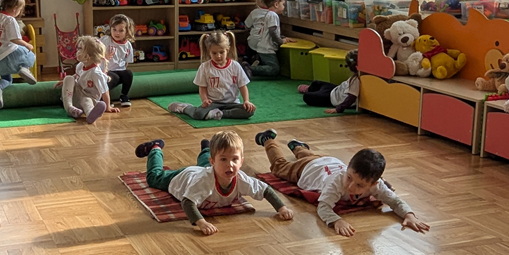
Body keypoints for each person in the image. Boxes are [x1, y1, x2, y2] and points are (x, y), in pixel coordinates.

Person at [255, 129, 430, 237]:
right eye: (349, 178)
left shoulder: (376, 185)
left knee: (312, 156)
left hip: (328, 161)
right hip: (306, 169)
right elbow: (323, 207)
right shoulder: (337, 182)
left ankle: (298, 147)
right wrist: (336, 221)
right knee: (279, 167)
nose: (351, 186)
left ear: (373, 184)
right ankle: (268, 139)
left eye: (360, 185)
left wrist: (409, 215)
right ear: (348, 168)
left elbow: (395, 201)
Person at [135, 132, 293, 235]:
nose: (230, 165)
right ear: (214, 161)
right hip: (183, 178)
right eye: (224, 159)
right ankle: (155, 148)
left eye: (235, 159)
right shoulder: (204, 182)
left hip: (207, 169)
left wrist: (282, 208)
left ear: (241, 161)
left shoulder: (241, 178)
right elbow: (187, 202)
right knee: (154, 178)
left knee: (209, 166)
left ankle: (207, 148)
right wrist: (201, 223)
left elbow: (265, 190)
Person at [168, 31, 255, 121]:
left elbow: (242, 86)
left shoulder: (235, 66)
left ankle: (219, 114)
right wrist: (205, 100)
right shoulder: (205, 67)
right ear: (209, 52)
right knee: (198, 114)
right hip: (213, 104)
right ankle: (184, 108)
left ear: (227, 50)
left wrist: (246, 101)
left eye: (222, 52)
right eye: (214, 53)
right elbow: (202, 87)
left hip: (232, 103)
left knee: (249, 111)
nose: (218, 56)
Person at [59, 35, 119, 123]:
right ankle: (69, 107)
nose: (76, 51)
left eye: (80, 49)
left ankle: (90, 113)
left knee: (86, 100)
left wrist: (108, 106)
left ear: (87, 56)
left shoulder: (96, 73)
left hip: (89, 98)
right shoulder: (80, 65)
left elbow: (105, 91)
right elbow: (77, 76)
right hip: (76, 96)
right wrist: (66, 83)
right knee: (69, 78)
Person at [244, 0, 295, 77]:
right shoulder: (273, 15)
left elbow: (249, 26)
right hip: (266, 48)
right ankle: (249, 69)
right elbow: (272, 32)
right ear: (276, 4)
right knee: (274, 69)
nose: (284, 7)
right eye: (283, 4)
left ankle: (251, 63)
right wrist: (281, 41)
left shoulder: (263, 13)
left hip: (259, 45)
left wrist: (282, 37)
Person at [298, 49, 360, 114]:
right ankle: (311, 89)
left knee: (307, 96)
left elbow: (351, 98)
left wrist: (338, 109)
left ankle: (313, 91)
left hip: (331, 98)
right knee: (316, 83)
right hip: (336, 90)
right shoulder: (357, 76)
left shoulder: (355, 80)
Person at [99, 14, 135, 107]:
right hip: (106, 71)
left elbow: (126, 61)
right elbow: (95, 52)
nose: (117, 33)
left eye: (121, 30)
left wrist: (122, 70)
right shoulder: (106, 40)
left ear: (127, 31)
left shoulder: (128, 45)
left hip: (119, 70)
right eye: (114, 29)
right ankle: (103, 97)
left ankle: (124, 96)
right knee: (114, 77)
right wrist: (104, 56)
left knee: (128, 74)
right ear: (110, 29)